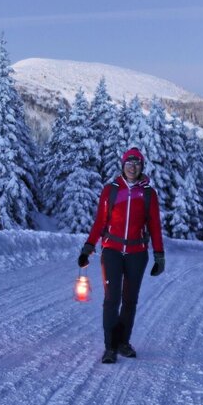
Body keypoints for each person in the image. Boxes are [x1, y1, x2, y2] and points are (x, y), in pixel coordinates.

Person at [78, 147, 165, 364]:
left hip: (137, 253)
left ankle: (123, 343)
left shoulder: (148, 194)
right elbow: (100, 221)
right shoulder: (111, 190)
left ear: (141, 167)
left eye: (136, 164)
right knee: (112, 299)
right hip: (112, 251)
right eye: (128, 163)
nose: (132, 167)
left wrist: (159, 254)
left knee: (129, 300)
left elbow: (154, 225)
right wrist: (88, 247)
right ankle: (110, 347)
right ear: (123, 166)